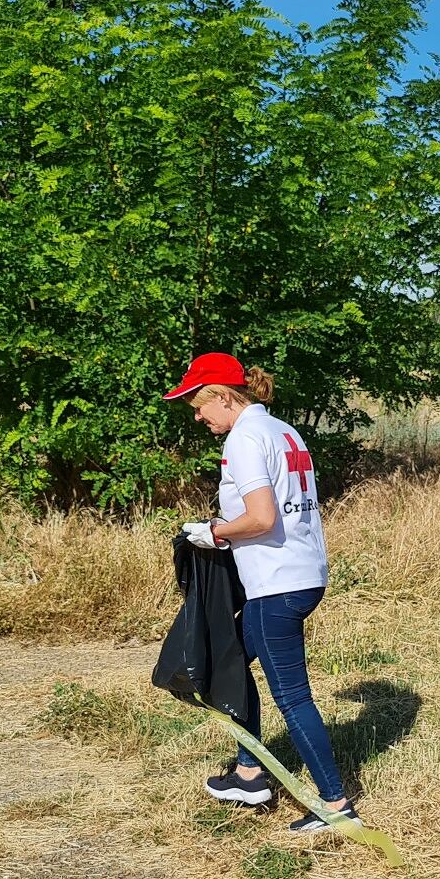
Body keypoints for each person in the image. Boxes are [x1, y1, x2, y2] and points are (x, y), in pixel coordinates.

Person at [163, 352, 356, 834]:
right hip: (302, 573)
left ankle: (334, 803)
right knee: (231, 659)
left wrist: (215, 531)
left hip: (276, 584)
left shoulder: (245, 439)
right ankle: (250, 775)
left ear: (223, 396)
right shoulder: (283, 430)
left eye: (197, 403)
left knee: (291, 697)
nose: (196, 414)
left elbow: (263, 517)